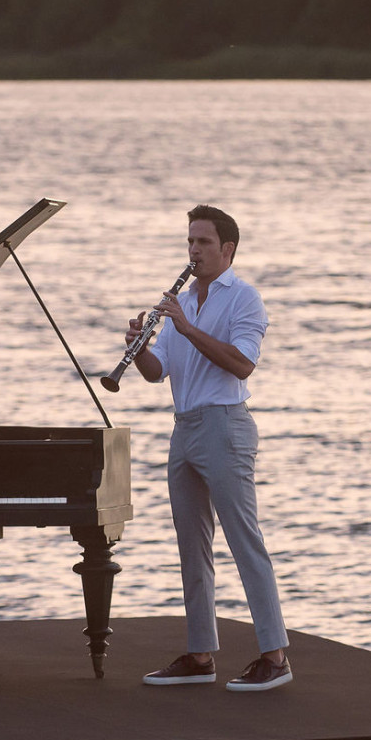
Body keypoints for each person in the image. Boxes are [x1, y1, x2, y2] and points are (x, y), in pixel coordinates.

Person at [125, 205, 293, 691]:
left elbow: (242, 364)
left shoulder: (244, 300)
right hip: (185, 428)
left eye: (203, 243)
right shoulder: (181, 303)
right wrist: (139, 349)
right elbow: (161, 374)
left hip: (225, 426)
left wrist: (186, 326)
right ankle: (201, 655)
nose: (194, 251)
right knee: (191, 547)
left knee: (244, 540)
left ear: (227, 250)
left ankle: (275, 656)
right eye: (190, 243)